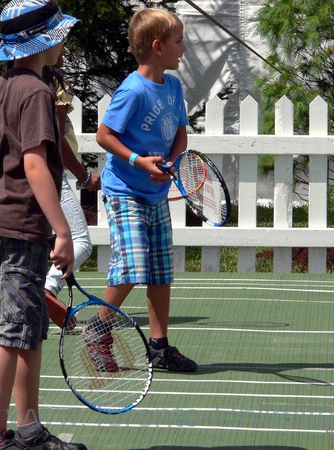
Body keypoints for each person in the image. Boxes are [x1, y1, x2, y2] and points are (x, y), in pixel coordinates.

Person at [0, 0, 87, 448]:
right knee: (12, 332)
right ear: (47, 40)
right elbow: (36, 165)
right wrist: (61, 230)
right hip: (20, 221)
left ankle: (29, 429)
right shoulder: (37, 93)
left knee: (29, 328)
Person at [86, 7, 198, 373]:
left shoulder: (174, 86)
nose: (183, 48)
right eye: (178, 41)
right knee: (133, 268)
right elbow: (104, 135)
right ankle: (98, 331)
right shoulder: (132, 90)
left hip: (154, 194)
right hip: (124, 192)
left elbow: (179, 133)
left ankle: (159, 347)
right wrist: (139, 161)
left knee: (160, 271)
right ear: (157, 46)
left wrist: (172, 163)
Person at [0, 47, 100, 330]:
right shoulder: (44, 89)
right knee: (78, 242)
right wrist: (84, 176)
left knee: (11, 264)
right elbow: (50, 147)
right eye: (59, 38)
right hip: (35, 188)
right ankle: (47, 289)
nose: (64, 46)